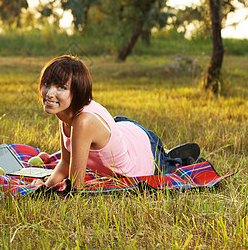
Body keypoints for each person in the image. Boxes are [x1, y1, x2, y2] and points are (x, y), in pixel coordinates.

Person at [35, 55, 199, 189]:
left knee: (161, 161)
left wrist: (44, 191)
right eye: (47, 84)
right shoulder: (64, 112)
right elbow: (65, 162)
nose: (49, 93)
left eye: (61, 87)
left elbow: (76, 186)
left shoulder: (83, 122)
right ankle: (166, 151)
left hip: (143, 154)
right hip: (125, 130)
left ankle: (167, 157)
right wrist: (45, 185)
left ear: (77, 91)